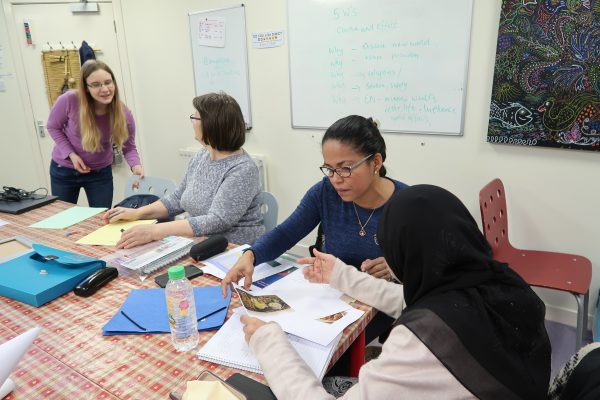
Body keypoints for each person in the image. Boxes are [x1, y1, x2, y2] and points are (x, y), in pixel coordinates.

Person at [240, 185, 552, 399]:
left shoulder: (421, 342)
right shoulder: (501, 282)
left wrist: (269, 342)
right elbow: (411, 302)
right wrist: (341, 275)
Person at [222, 114, 408, 343]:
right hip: (328, 298)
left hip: (377, 304)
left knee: (328, 350)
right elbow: (286, 232)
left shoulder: (406, 205)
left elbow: (432, 274)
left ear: (376, 162)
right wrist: (251, 255)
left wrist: (397, 268)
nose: (335, 179)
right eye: (329, 169)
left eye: (345, 168)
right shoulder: (325, 193)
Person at [103, 92, 264, 248]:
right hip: (198, 243)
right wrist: (136, 213)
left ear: (212, 125)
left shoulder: (243, 170)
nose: (192, 122)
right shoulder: (203, 155)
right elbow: (177, 198)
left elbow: (217, 220)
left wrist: (155, 230)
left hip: (231, 250)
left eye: (195, 117)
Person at [47, 60, 143, 208]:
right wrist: (71, 154)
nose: (105, 89)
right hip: (64, 170)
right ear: (86, 88)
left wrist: (136, 167)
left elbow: (128, 147)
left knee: (100, 221)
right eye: (96, 85)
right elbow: (53, 127)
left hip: (99, 174)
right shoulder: (69, 100)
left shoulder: (123, 113)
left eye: (108, 82)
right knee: (62, 219)